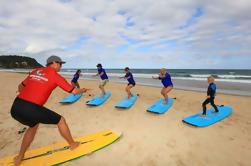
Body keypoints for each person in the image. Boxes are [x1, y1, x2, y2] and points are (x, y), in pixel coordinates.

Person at [11, 55, 89, 165]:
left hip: (16, 107)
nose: (61, 67)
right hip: (31, 108)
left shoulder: (35, 71)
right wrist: (83, 90)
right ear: (54, 63)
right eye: (60, 64)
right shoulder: (56, 76)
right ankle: (72, 144)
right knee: (60, 120)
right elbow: (74, 91)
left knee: (33, 126)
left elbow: (21, 86)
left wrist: (25, 93)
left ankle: (20, 156)